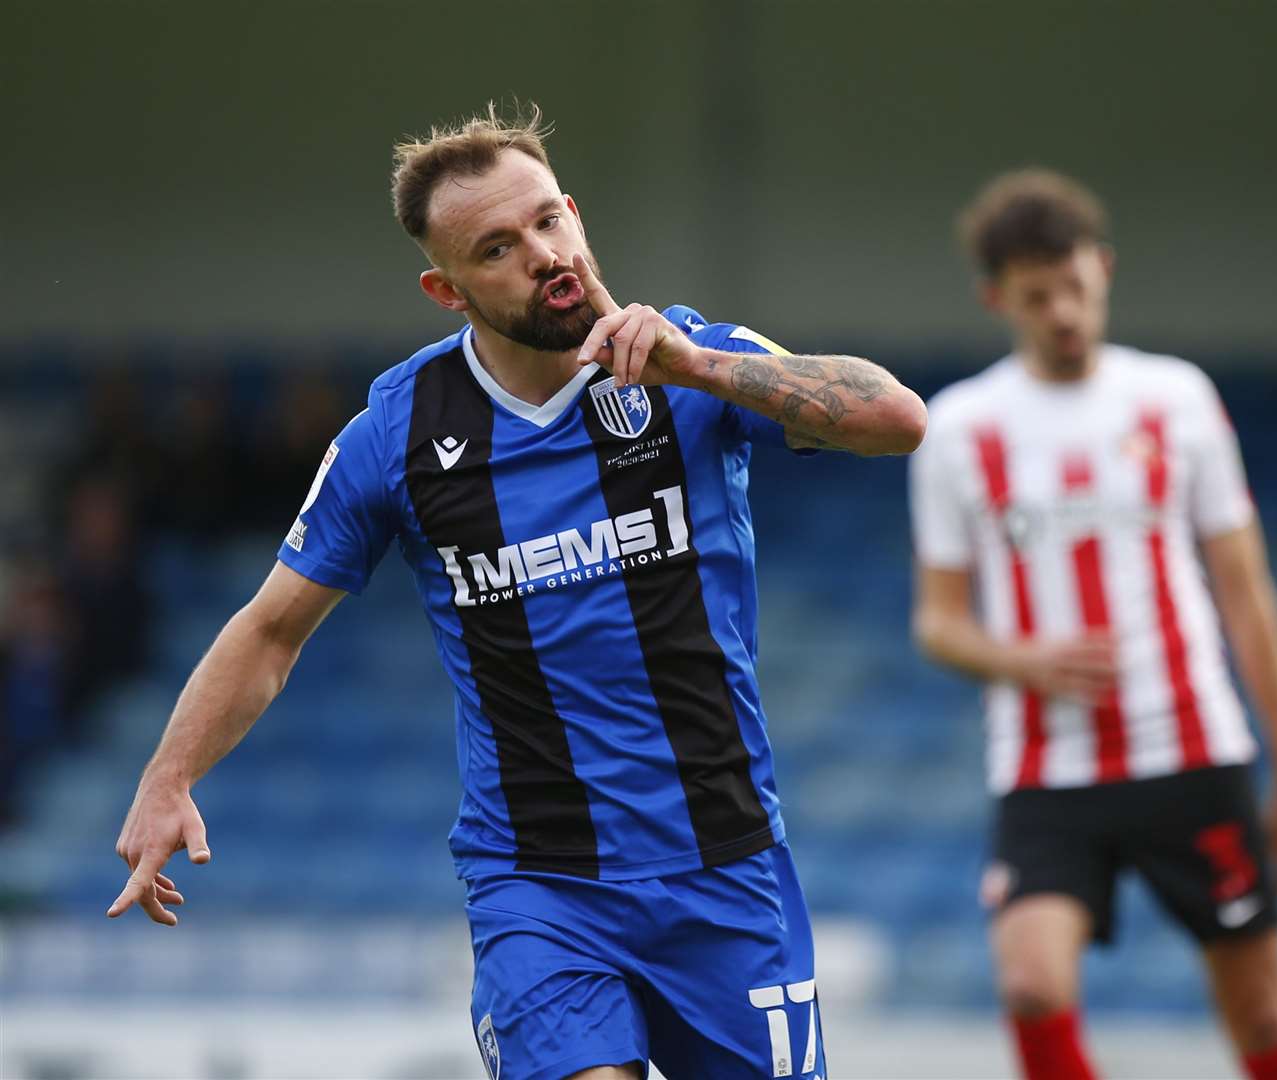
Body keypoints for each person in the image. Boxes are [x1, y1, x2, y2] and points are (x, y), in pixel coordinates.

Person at [109, 104, 926, 1080]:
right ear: (446, 290)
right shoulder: (396, 436)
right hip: (539, 885)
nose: (541, 254)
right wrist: (167, 779)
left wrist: (699, 368)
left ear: (575, 215)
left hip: (724, 864)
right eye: (497, 248)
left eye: (546, 221)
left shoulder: (693, 359)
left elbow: (895, 420)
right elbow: (271, 629)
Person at [909, 169, 1277, 1080]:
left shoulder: (1176, 399)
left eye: (1076, 286)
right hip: (1045, 768)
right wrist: (1021, 658)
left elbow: (1247, 594)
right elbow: (939, 624)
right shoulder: (957, 427)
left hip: (1189, 751)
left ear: (1103, 268)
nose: (1062, 311)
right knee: (1031, 985)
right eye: (1037, 296)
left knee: (1262, 1013)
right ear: (997, 299)